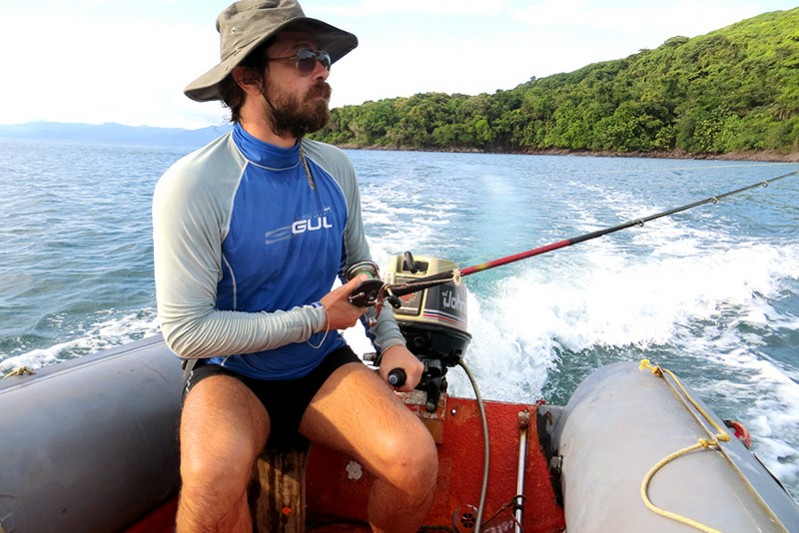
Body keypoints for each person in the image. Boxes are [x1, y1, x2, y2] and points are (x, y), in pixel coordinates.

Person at [151, 1, 438, 531]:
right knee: (211, 485)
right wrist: (315, 318)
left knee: (413, 461)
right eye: (304, 58)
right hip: (233, 374)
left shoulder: (335, 167)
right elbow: (186, 332)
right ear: (247, 76)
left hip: (318, 366)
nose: (323, 71)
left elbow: (361, 268)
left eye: (325, 58)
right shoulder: (194, 185)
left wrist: (391, 339)